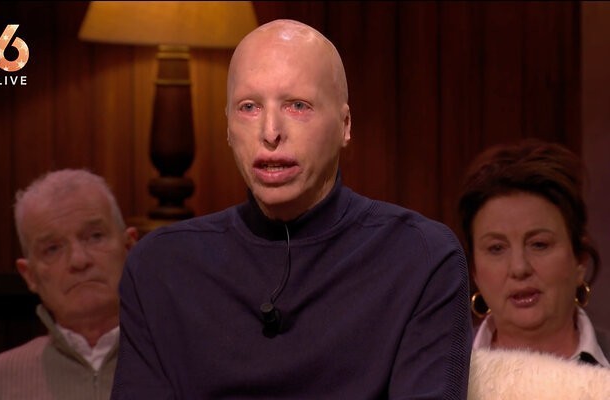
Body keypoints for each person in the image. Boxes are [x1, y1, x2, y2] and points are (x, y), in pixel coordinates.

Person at [111, 19, 472, 399]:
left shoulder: (421, 258)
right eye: (249, 107)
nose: (270, 132)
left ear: (345, 125)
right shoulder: (160, 267)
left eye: (298, 106)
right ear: (228, 127)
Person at [457, 138, 610, 366]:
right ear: (474, 271)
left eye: (539, 244)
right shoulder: (440, 371)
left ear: (580, 260)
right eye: (496, 248)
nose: (519, 268)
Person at [0, 169, 138, 400]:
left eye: (95, 236)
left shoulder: (186, 359)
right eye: (52, 249)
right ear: (29, 275)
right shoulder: (0, 380)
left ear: (129, 248)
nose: (79, 260)